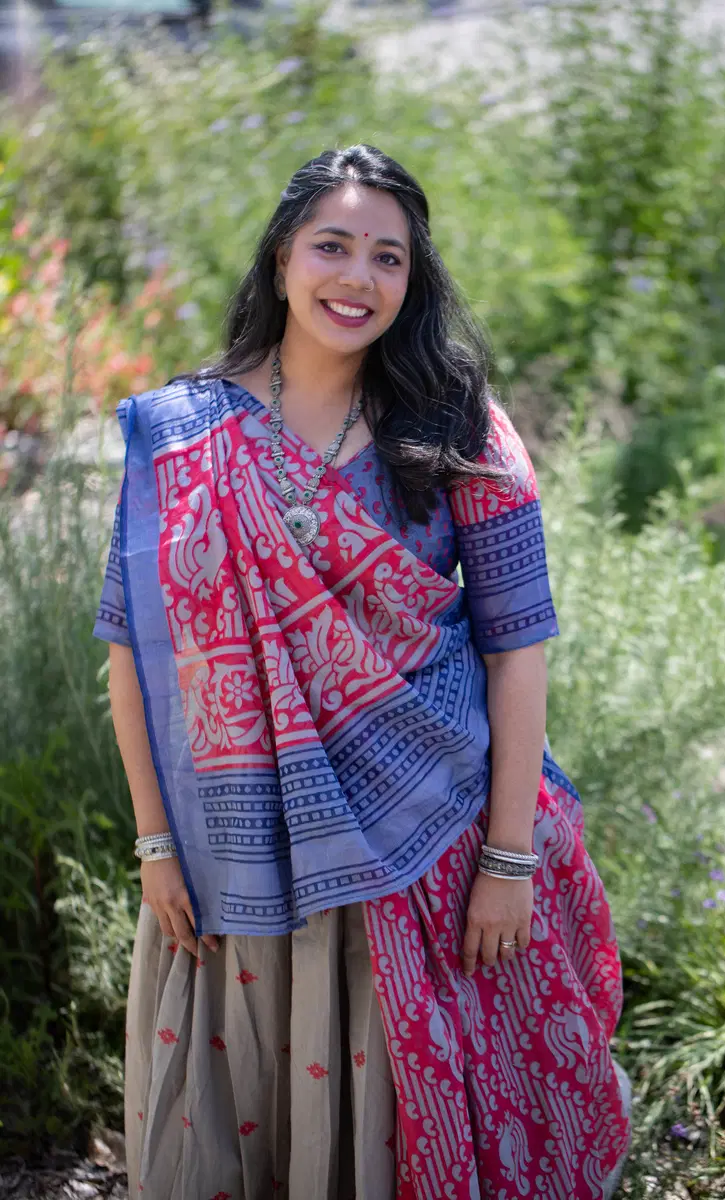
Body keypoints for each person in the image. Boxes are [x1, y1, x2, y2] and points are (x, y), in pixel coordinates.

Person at [93, 142, 632, 1200]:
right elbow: (131, 652)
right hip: (243, 862)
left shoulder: (457, 428)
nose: (357, 278)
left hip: (435, 850)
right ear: (282, 256)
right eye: (332, 246)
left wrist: (509, 859)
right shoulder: (179, 435)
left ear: (412, 280)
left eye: (388, 259)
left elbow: (516, 649)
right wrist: (156, 844)